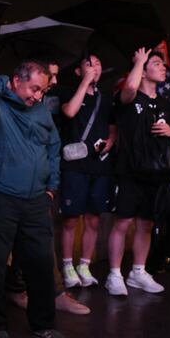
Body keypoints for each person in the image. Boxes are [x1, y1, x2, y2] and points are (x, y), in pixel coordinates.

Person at [0, 61, 71, 338]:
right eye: (34, 88)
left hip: (36, 199)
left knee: (41, 263)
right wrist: (4, 78)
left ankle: (44, 324)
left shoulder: (41, 110)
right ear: (16, 81)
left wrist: (52, 187)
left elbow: (53, 146)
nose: (38, 96)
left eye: (43, 90)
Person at [106, 49, 170, 295]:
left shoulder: (166, 104)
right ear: (143, 68)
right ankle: (114, 275)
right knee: (123, 222)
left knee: (146, 224)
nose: (163, 68)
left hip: (156, 173)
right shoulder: (129, 97)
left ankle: (138, 272)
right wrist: (138, 61)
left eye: (163, 64)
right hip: (129, 170)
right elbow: (128, 90)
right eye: (157, 63)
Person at [58, 54, 115, 288]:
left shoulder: (106, 98)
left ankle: (84, 265)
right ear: (78, 72)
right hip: (75, 166)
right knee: (71, 220)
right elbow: (69, 112)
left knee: (94, 220)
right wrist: (84, 84)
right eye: (89, 64)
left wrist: (111, 140)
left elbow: (113, 127)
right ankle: (67, 265)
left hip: (100, 166)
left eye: (98, 63)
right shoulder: (67, 92)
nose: (94, 68)